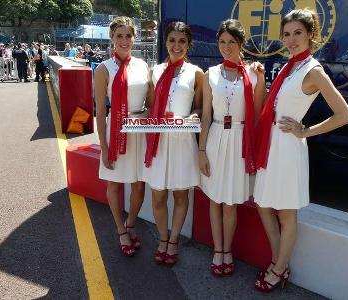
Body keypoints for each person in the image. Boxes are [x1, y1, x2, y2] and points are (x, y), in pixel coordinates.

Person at [253, 8, 348, 292]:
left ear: (311, 35)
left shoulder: (313, 70)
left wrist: (306, 130)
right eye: (287, 34)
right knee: (263, 205)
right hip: (271, 145)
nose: (291, 39)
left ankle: (278, 268)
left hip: (287, 147)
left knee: (285, 213)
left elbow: (344, 115)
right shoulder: (290, 66)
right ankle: (279, 261)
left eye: (298, 33)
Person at [198, 19, 265, 276]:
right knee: (215, 200)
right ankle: (219, 250)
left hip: (239, 141)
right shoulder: (210, 74)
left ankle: (228, 250)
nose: (226, 47)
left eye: (232, 42)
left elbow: (257, 115)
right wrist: (201, 150)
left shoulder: (253, 74)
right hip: (216, 137)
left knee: (231, 203)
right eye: (222, 42)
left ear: (241, 44)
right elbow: (205, 115)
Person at [142, 21, 203, 266]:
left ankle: (174, 240)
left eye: (182, 41)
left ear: (188, 45)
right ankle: (162, 238)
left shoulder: (196, 72)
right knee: (158, 197)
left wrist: (190, 117)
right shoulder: (154, 71)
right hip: (158, 140)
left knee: (180, 195)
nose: (176, 46)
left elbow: (199, 107)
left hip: (182, 141)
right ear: (165, 42)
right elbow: (149, 104)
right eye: (172, 40)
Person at [94, 16, 152, 257]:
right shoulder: (104, 68)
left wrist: (145, 113)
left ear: (134, 38)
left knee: (139, 184)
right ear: (112, 38)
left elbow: (149, 103)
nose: (124, 40)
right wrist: (104, 147)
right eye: (119, 35)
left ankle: (131, 224)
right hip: (115, 131)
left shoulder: (143, 66)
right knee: (115, 183)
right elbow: (99, 110)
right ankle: (120, 229)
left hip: (138, 132)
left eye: (129, 35)